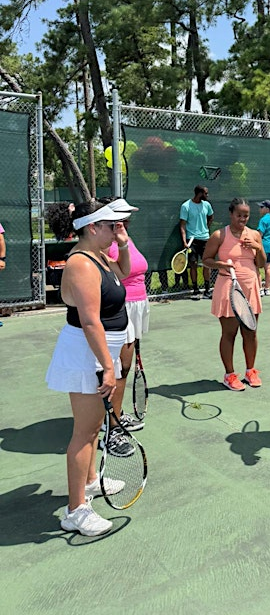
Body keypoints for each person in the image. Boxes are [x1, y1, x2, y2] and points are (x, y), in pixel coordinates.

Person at [45, 200, 132, 536]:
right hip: (86, 353)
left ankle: (91, 481)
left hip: (97, 352)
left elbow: (123, 274)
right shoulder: (81, 263)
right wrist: (108, 368)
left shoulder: (98, 256)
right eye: (113, 226)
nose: (117, 231)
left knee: (94, 428)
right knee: (84, 433)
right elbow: (90, 320)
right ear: (93, 227)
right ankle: (75, 510)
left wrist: (122, 245)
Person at [202, 198, 266, 391]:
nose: (242, 219)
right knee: (229, 333)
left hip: (250, 287)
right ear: (231, 214)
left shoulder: (254, 234)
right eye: (239, 215)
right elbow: (206, 260)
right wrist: (219, 264)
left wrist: (257, 247)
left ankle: (250, 371)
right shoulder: (219, 235)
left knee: (251, 331)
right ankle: (229, 375)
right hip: (228, 287)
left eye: (246, 215)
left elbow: (261, 263)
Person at [104, 197, 149, 445]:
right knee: (118, 371)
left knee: (124, 368)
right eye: (122, 215)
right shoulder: (105, 244)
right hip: (120, 309)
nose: (127, 220)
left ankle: (117, 416)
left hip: (135, 308)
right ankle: (112, 428)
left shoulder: (123, 239)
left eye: (127, 215)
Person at [179, 185, 214, 300]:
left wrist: (206, 229)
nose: (207, 195)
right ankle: (195, 290)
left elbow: (210, 217)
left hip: (205, 239)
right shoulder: (186, 206)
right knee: (193, 265)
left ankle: (208, 290)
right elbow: (182, 225)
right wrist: (185, 241)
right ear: (199, 193)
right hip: (191, 241)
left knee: (207, 264)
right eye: (205, 193)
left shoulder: (207, 205)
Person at [257, 200, 270, 296]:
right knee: (268, 267)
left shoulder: (263, 220)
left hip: (263, 247)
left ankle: (260, 289)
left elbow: (259, 235)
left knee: (256, 268)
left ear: (267, 209)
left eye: (261, 207)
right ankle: (267, 289)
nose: (260, 209)